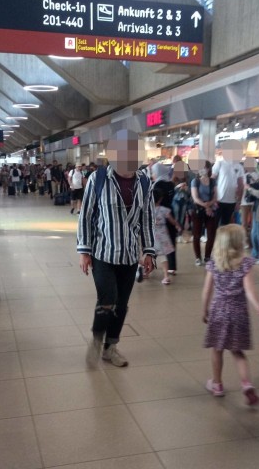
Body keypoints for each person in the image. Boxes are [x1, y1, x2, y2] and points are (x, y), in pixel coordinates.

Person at [77, 129, 155, 368]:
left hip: (130, 255)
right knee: (107, 299)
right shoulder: (98, 178)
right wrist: (84, 250)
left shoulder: (144, 181)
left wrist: (149, 251)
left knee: (122, 304)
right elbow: (86, 215)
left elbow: (147, 218)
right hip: (103, 252)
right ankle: (97, 339)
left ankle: (111, 346)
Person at [202, 224, 259, 406]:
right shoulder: (245, 264)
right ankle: (246, 384)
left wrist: (204, 310)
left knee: (217, 349)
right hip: (239, 314)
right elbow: (250, 291)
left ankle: (217, 384)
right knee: (238, 351)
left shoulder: (214, 264)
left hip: (218, 311)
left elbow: (206, 291)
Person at [151, 162, 177, 275]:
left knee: (155, 243)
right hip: (169, 213)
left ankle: (150, 265)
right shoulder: (171, 184)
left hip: (157, 216)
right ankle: (172, 267)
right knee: (170, 242)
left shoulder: (156, 185)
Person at [153, 188, 182, 285]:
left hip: (152, 236)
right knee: (162, 256)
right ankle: (166, 276)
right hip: (163, 235)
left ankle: (145, 272)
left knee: (149, 254)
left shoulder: (147, 210)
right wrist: (177, 225)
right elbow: (171, 220)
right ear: (160, 199)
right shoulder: (164, 210)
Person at [191, 168, 218, 266]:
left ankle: (207, 256)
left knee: (211, 234)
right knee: (196, 234)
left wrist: (209, 205)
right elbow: (195, 198)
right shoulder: (195, 181)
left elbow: (215, 196)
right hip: (198, 209)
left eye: (204, 167)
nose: (202, 170)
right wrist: (206, 206)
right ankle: (198, 257)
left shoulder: (213, 181)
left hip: (211, 209)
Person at [212, 157, 245, 226]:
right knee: (213, 224)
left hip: (231, 202)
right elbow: (212, 180)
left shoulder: (239, 167)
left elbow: (241, 185)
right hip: (218, 200)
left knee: (225, 225)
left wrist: (238, 202)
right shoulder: (220, 163)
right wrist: (212, 198)